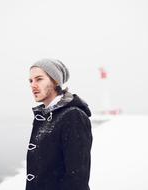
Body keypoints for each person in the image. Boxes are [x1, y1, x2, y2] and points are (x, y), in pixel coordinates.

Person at [26, 58, 93, 190]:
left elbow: (77, 178)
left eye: (39, 79)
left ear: (56, 81)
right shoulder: (45, 116)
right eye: (30, 81)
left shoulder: (73, 116)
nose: (33, 85)